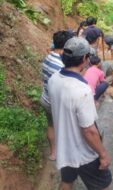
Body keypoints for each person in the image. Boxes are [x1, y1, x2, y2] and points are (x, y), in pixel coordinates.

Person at [48, 37, 112, 190]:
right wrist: (103, 154)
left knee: (66, 182)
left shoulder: (53, 79)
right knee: (102, 185)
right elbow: (89, 130)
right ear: (84, 59)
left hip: (65, 148)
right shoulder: (82, 90)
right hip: (84, 153)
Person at [40, 30, 73, 161]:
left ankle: (53, 153)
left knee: (51, 125)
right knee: (65, 126)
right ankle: (66, 152)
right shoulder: (61, 65)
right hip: (56, 102)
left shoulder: (48, 57)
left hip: (45, 98)